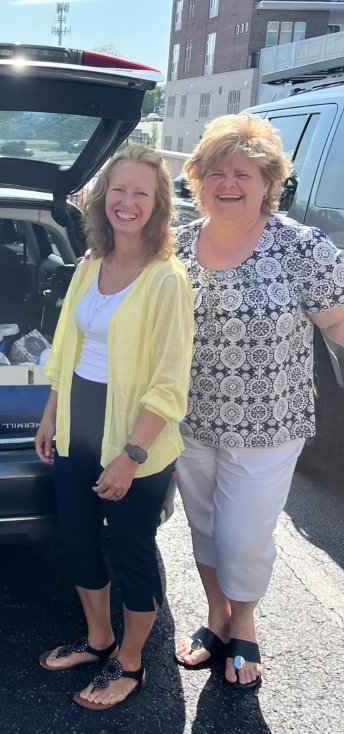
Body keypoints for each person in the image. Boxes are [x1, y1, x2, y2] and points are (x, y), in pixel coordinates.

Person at [172, 113, 344, 689]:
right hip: (188, 419)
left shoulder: (300, 247)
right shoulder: (176, 246)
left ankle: (244, 623)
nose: (228, 183)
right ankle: (216, 617)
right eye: (216, 171)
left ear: (269, 181)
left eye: (242, 173)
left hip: (267, 423)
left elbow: (339, 321)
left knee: (243, 534)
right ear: (198, 179)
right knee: (203, 526)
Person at [35, 145, 194, 710]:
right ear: (103, 200)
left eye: (141, 193)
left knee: (131, 551)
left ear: (158, 205)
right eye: (118, 191)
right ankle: (99, 641)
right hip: (78, 421)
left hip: (136, 436)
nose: (127, 203)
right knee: (78, 540)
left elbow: (170, 383)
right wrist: (51, 415)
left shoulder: (167, 280)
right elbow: (64, 350)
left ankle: (130, 665)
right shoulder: (87, 265)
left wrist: (130, 455)